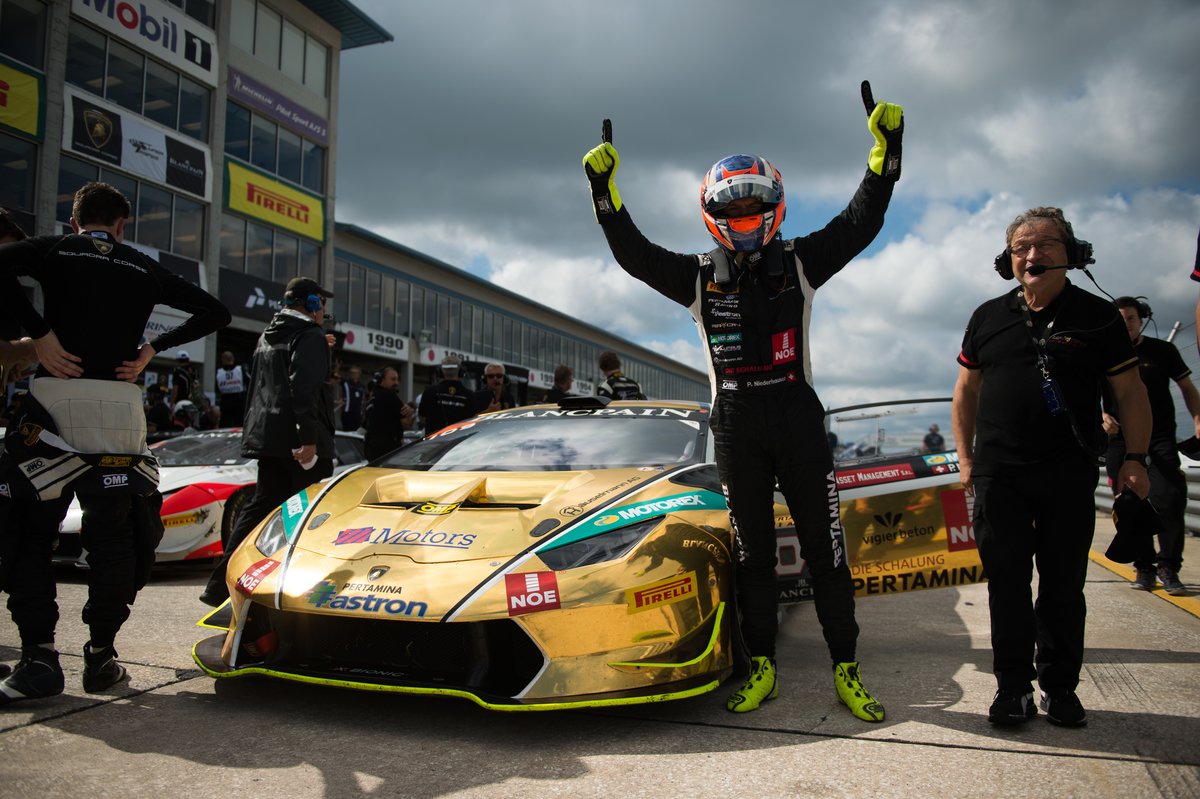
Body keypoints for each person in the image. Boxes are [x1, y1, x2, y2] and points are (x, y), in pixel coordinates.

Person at [581, 86, 905, 720]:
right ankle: (762, 668)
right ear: (713, 215)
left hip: (796, 418)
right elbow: (635, 257)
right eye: (737, 209)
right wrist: (604, 197)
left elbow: (860, 222)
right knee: (753, 556)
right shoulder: (699, 275)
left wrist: (884, 157)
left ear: (775, 209)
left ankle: (847, 668)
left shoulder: (803, 261)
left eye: (758, 207)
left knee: (826, 549)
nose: (748, 217)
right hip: (733, 427)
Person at [0, 181, 230, 704]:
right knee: (119, 538)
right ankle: (102, 656)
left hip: (54, 401)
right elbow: (215, 312)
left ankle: (37, 659)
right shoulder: (140, 265)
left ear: (75, 219)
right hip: (121, 409)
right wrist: (151, 349)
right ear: (123, 225)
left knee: (27, 530)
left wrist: (39, 333)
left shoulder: (55, 248)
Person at [952, 206, 1151, 728]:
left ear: (1072, 254)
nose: (1032, 255)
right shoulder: (986, 317)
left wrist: (1135, 457)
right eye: (1021, 248)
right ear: (1007, 260)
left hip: (1068, 470)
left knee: (1063, 586)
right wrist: (967, 458)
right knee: (1007, 584)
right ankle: (1013, 688)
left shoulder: (1100, 316)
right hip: (1000, 474)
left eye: (1044, 245)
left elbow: (1130, 393)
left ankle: (1060, 688)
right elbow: (965, 392)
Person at [199, 276, 336, 607]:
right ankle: (296, 591)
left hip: (269, 439)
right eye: (322, 304)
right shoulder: (309, 335)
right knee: (309, 517)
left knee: (259, 510)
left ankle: (219, 585)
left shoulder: (270, 335)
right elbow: (301, 389)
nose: (325, 311)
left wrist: (318, 348)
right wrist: (309, 441)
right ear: (312, 304)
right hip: (299, 444)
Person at [1102, 296, 1198, 595]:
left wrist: (1197, 418)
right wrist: (1100, 414)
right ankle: (1144, 568)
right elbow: (1085, 392)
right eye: (1120, 319)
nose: (1126, 324)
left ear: (1141, 319)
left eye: (1130, 318)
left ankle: (1168, 567)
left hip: (1159, 437)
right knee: (1129, 505)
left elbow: (1187, 388)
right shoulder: (1103, 354)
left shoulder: (1162, 351)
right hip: (1120, 439)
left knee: (1169, 499)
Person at [363, 366, 414, 460]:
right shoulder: (389, 395)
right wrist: (411, 411)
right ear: (382, 380)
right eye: (393, 379)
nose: (396, 383)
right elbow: (407, 422)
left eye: (397, 379)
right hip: (387, 449)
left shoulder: (372, 398)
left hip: (371, 448)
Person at [418, 355, 472, 434]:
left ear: (440, 371)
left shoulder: (429, 392)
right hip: (459, 441)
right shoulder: (469, 395)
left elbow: (422, 418)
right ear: (461, 371)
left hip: (434, 442)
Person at [215, 350, 248, 427]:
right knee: (240, 426)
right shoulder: (240, 370)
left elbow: (217, 389)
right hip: (239, 402)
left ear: (222, 360)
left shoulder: (219, 372)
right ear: (233, 359)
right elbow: (249, 381)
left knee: (224, 426)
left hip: (225, 402)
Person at [341, 364, 366, 431]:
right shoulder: (346, 383)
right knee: (347, 432)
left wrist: (363, 414)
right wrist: (337, 368)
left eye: (355, 373)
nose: (353, 374)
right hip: (347, 413)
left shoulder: (362, 386)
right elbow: (335, 376)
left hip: (358, 414)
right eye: (351, 373)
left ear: (359, 374)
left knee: (355, 433)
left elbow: (363, 400)